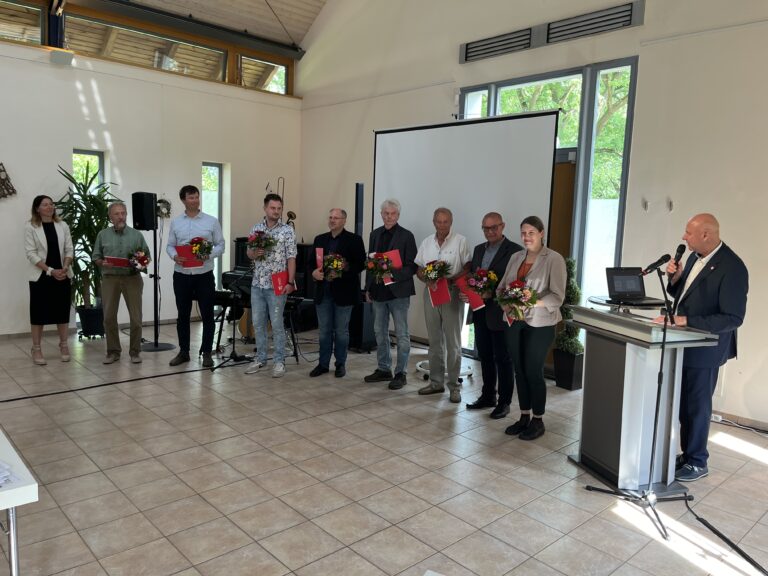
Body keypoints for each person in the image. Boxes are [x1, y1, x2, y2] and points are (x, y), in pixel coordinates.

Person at [653, 213, 748, 482]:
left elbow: (733, 317)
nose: (684, 237)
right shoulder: (695, 257)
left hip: (706, 349)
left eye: (688, 233)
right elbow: (683, 296)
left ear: (706, 234)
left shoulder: (733, 267)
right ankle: (688, 453)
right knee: (684, 405)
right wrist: (675, 280)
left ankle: (697, 461)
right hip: (684, 344)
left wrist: (686, 320)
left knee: (697, 406)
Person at [498, 216, 566, 440]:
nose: (526, 237)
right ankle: (524, 416)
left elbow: (557, 296)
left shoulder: (553, 259)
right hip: (514, 321)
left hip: (540, 323)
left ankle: (538, 420)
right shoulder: (516, 257)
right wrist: (507, 302)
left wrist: (530, 301)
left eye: (531, 233)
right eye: (523, 233)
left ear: (541, 233)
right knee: (519, 369)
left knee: (533, 371)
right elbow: (502, 287)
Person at [461, 212, 522, 417]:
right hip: (479, 310)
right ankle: (488, 396)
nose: (490, 232)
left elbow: (517, 284)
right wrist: (467, 292)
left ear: (502, 226)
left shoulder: (515, 251)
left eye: (494, 227)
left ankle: (504, 402)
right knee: (484, 356)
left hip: (501, 311)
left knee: (503, 358)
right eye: (486, 228)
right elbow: (473, 278)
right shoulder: (479, 249)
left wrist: (492, 292)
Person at [414, 208, 471, 403]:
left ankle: (454, 386)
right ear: (433, 222)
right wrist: (426, 279)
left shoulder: (460, 241)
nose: (442, 225)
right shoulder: (427, 242)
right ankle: (436, 382)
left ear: (451, 222)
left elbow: (468, 267)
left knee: (453, 343)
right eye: (438, 221)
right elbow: (419, 268)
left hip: (452, 293)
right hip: (431, 292)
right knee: (435, 340)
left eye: (445, 221)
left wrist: (451, 280)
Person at [166, 185, 225, 368]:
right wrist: (175, 256)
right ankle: (184, 352)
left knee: (207, 315)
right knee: (182, 315)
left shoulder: (211, 221)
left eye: (197, 197)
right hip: (182, 274)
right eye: (191, 198)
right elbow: (170, 246)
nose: (195, 200)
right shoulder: (176, 223)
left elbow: (220, 245)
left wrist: (209, 254)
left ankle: (207, 352)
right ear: (183, 200)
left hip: (204, 274)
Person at [364, 198, 418, 390]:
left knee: (402, 335)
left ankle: (401, 373)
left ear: (398, 215)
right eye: (385, 213)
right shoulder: (374, 234)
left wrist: (391, 273)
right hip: (378, 292)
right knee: (379, 332)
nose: (388, 217)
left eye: (392, 214)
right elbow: (370, 264)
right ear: (381, 214)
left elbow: (413, 266)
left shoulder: (407, 236)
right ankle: (383, 368)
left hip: (398, 293)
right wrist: (368, 288)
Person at [244, 193, 297, 378]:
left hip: (278, 284)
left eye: (279, 208)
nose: (276, 212)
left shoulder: (287, 231)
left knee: (276, 324)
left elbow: (291, 257)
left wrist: (290, 282)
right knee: (258, 323)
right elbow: (249, 254)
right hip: (257, 283)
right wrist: (254, 253)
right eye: (273, 208)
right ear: (265, 208)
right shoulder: (256, 228)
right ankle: (260, 358)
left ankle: (279, 361)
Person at [309, 208, 366, 378]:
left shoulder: (354, 240)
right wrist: (313, 273)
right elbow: (310, 263)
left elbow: (361, 264)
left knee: (341, 332)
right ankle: (323, 364)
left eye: (336, 218)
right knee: (324, 331)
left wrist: (344, 267)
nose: (332, 220)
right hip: (323, 292)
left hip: (344, 293)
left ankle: (340, 363)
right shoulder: (320, 239)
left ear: (344, 221)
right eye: (330, 217)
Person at [93, 202, 149, 364]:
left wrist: (139, 262)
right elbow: (96, 257)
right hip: (110, 279)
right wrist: (103, 263)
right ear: (110, 217)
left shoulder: (136, 235)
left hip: (132, 278)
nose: (121, 216)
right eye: (117, 214)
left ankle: (135, 352)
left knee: (136, 318)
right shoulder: (102, 235)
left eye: (123, 213)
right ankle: (113, 352)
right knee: (109, 317)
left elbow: (146, 257)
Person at [24, 195, 74, 365]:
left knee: (62, 311)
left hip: (62, 273)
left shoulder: (62, 225)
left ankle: (64, 345)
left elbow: (69, 249)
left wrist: (65, 268)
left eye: (51, 204)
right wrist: (51, 271)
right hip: (41, 275)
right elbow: (31, 254)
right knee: (38, 313)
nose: (50, 207)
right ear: (37, 208)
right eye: (45, 205)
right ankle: (36, 348)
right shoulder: (31, 227)